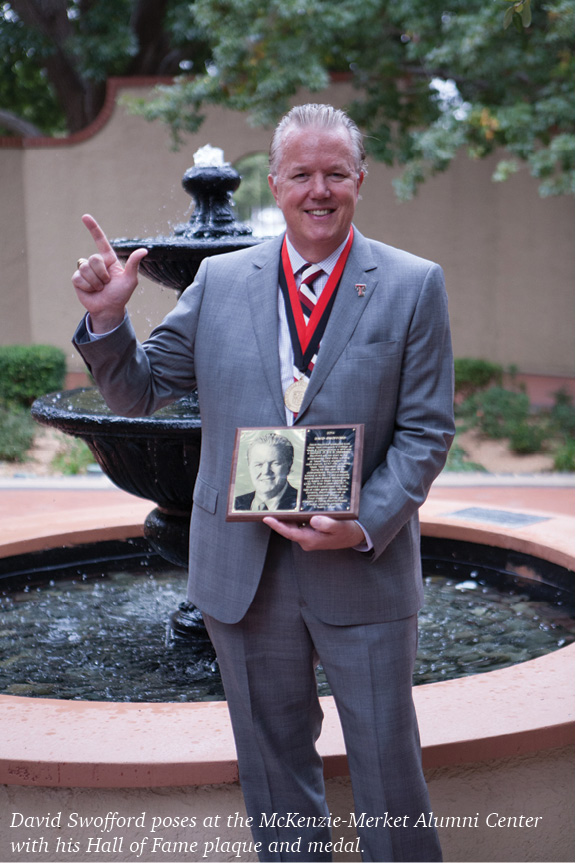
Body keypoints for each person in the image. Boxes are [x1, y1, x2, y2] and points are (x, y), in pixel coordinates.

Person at [72, 103, 454, 862]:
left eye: (335, 173)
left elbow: (425, 432)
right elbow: (140, 393)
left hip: (360, 564)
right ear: (275, 183)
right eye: (302, 174)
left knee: (387, 765)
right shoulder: (219, 281)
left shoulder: (413, 285)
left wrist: (363, 520)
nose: (319, 189)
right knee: (275, 775)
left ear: (359, 179)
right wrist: (109, 322)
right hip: (241, 573)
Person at [234, 432, 299, 511]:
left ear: (289, 466)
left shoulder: (303, 503)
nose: (266, 471)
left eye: (275, 463)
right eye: (259, 464)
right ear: (249, 466)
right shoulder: (236, 504)